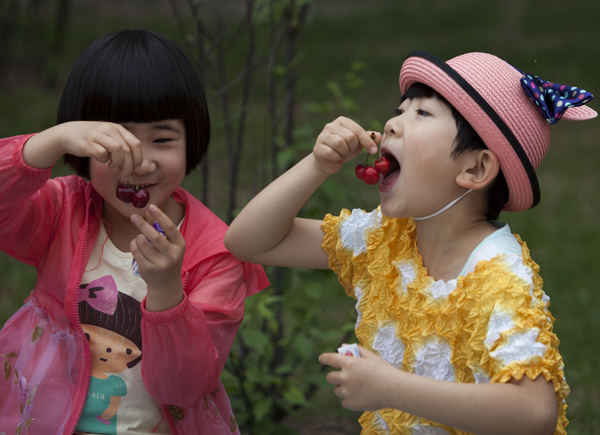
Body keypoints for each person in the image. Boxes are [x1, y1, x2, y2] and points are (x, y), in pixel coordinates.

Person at [224, 50, 596, 435]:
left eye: (422, 114)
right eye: (400, 111)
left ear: (476, 168)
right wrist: (318, 166)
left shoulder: (498, 278)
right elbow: (249, 241)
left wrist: (392, 388)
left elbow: (534, 413)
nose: (392, 124)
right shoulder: (385, 239)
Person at [0, 29, 269, 435]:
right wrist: (48, 142)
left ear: (191, 140)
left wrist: (165, 292)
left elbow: (183, 388)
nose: (139, 162)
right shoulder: (63, 210)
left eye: (162, 139)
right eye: (115, 140)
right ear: (82, 144)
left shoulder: (217, 252)